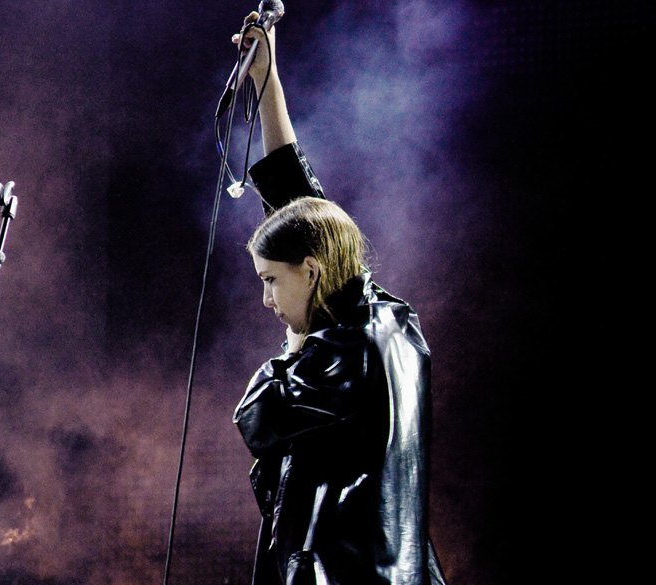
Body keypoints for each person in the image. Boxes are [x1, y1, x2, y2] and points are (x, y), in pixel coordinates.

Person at [230, 12, 447, 585]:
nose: (267, 300)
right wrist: (266, 79)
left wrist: (293, 342)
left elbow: (258, 418)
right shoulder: (383, 315)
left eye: (271, 281)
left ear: (311, 270)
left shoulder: (345, 353)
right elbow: (301, 205)